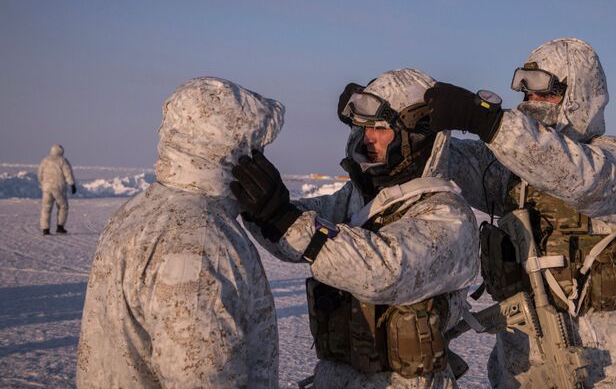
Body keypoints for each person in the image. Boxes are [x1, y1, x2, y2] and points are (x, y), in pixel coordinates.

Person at [230, 68, 479, 388]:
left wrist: (287, 220)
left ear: (416, 137)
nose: (367, 139)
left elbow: (384, 271)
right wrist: (261, 208)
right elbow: (299, 236)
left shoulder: (448, 216)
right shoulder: (362, 199)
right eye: (362, 128)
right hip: (338, 377)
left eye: (379, 128)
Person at [424, 38, 616, 388]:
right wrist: (409, 126)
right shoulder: (514, 169)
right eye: (526, 93)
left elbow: (574, 174)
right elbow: (463, 163)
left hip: (597, 359)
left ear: (579, 95)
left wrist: (489, 123)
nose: (531, 102)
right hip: (522, 355)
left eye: (545, 92)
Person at [77, 77, 283, 388]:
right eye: (257, 146)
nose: (262, 157)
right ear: (232, 149)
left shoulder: (141, 208)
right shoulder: (201, 241)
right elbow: (203, 377)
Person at [38, 144, 76, 235]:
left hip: (46, 188)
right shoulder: (62, 160)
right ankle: (60, 226)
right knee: (63, 206)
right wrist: (72, 184)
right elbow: (68, 173)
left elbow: (40, 174)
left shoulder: (45, 160)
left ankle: (45, 229)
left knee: (46, 208)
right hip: (58, 187)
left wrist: (43, 183)